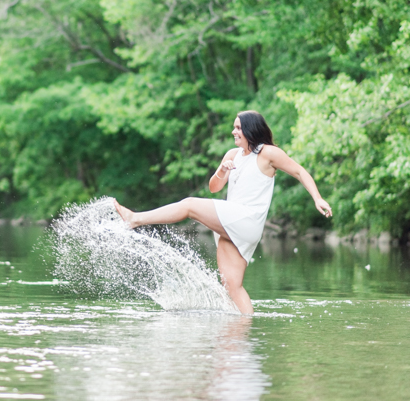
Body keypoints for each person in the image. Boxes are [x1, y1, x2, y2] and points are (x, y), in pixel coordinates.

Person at [114, 111, 332, 315]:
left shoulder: (268, 153)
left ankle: (135, 219)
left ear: (251, 130)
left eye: (238, 128)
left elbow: (299, 171)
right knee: (232, 287)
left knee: (189, 205)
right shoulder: (232, 154)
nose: (233, 132)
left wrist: (317, 197)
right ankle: (244, 334)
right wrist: (222, 170)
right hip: (234, 225)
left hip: (246, 219)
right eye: (234, 127)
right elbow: (214, 188)